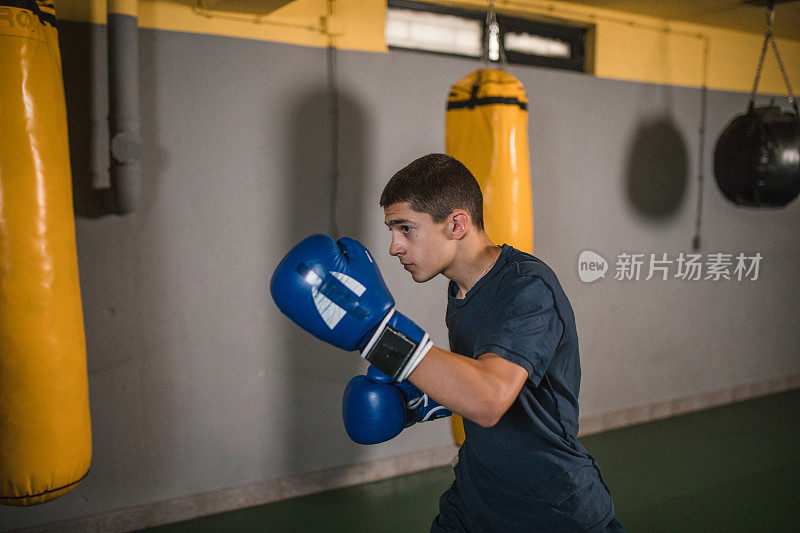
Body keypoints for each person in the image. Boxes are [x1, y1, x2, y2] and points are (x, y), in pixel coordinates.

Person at [271, 153, 623, 532]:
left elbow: (489, 398)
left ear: (456, 224)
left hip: (551, 507)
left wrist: (379, 335)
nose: (394, 247)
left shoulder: (527, 287)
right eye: (392, 230)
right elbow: (491, 374)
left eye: (405, 228)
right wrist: (425, 400)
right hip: (477, 497)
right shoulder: (461, 288)